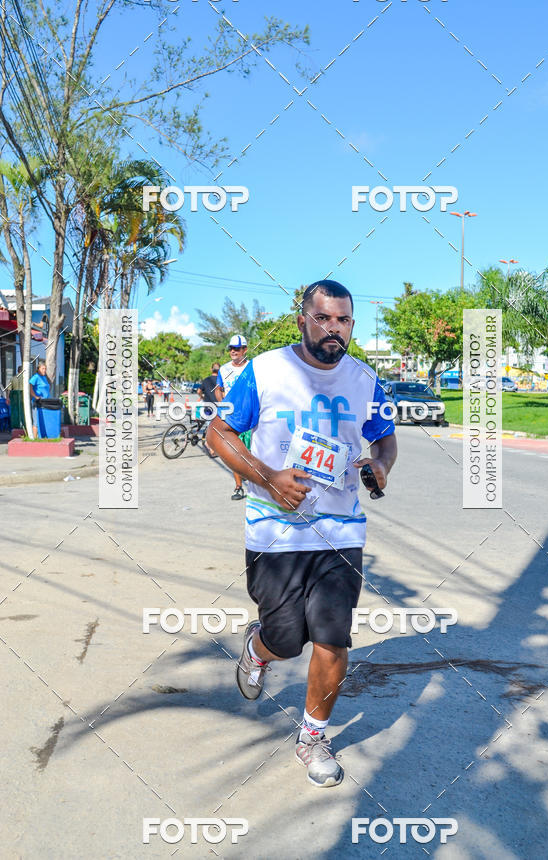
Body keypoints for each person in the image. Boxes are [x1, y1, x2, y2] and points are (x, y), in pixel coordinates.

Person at [207, 280, 397, 788]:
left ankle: (313, 736)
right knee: (288, 640)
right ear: (303, 321)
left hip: (341, 531)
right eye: (324, 318)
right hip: (274, 531)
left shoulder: (364, 380)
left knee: (333, 638)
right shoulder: (266, 370)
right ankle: (259, 649)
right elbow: (218, 434)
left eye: (344, 321)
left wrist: (379, 467)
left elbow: (385, 440)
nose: (334, 329)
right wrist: (268, 477)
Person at [215, 336, 251, 500]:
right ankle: (238, 487)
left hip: (251, 417)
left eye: (237, 348)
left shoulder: (253, 368)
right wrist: (223, 406)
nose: (233, 351)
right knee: (234, 452)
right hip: (232, 417)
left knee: (253, 452)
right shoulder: (223, 369)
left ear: (245, 350)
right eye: (231, 348)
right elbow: (218, 389)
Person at [200, 363, 221, 458]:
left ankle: (209, 444)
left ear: (211, 369)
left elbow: (198, 391)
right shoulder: (221, 380)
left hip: (207, 406)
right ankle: (211, 448)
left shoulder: (206, 380)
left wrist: (202, 398)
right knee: (214, 428)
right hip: (217, 407)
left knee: (209, 425)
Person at [29, 361, 51, 438]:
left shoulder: (44, 377)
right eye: (42, 369)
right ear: (38, 369)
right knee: (36, 422)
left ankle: (42, 437)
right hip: (37, 402)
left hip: (45, 403)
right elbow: (29, 387)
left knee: (44, 421)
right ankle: (35, 439)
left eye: (45, 369)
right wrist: (35, 396)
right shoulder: (35, 377)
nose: (44, 370)